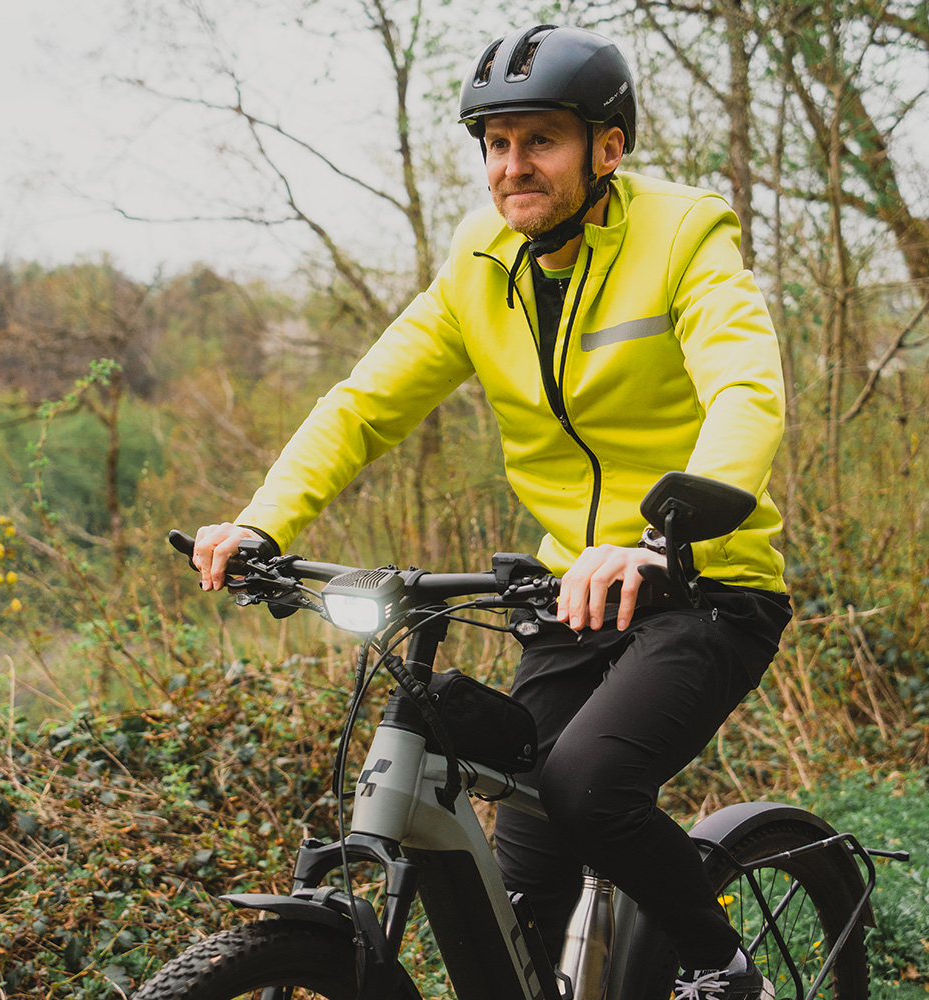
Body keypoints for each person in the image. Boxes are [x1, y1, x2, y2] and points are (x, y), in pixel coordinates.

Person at [193, 23, 790, 1000]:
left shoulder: (684, 233)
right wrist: (263, 524)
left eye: (539, 140)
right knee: (519, 889)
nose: (512, 167)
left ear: (608, 146)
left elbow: (744, 391)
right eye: (496, 143)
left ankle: (723, 970)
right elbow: (364, 404)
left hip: (700, 584)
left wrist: (660, 538)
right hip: (569, 593)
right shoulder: (480, 261)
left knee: (586, 786)